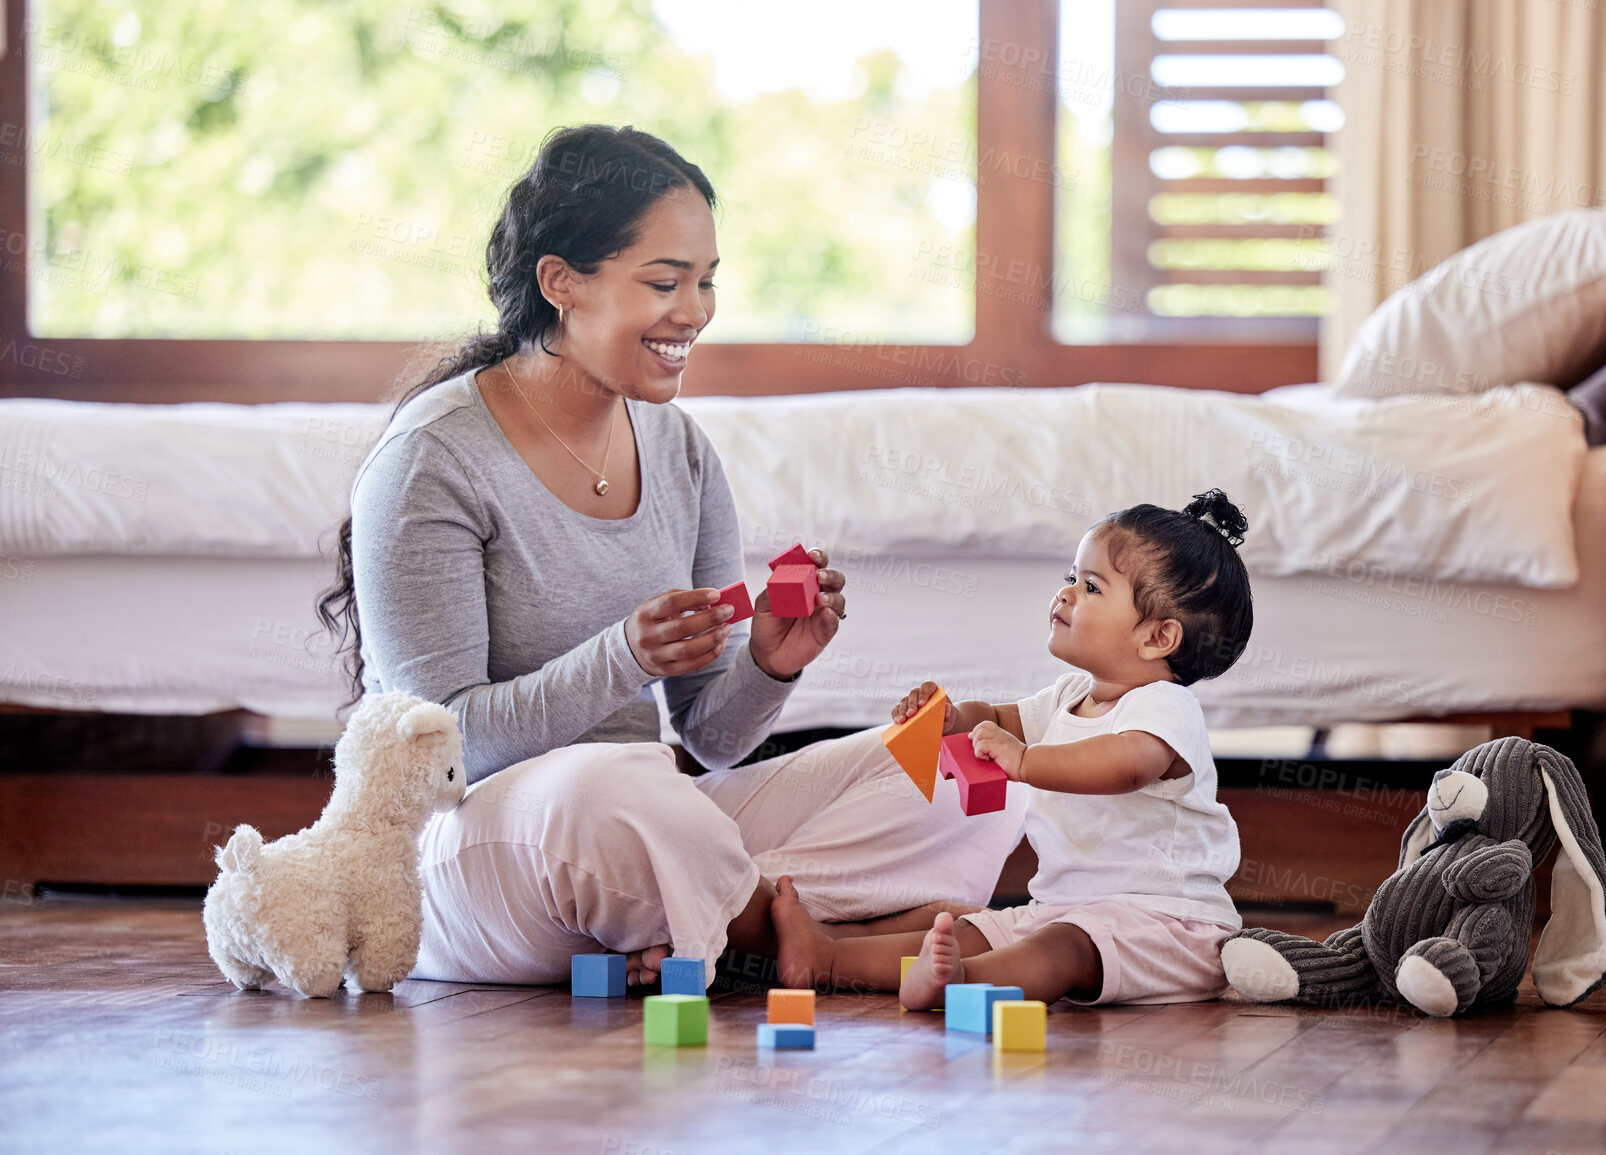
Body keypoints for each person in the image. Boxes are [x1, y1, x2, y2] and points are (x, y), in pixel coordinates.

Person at [319, 125, 1026, 989]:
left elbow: (712, 739)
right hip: (478, 855)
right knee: (609, 790)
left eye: (706, 281)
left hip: (640, 829)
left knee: (973, 759)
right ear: (560, 284)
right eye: (663, 281)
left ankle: (718, 922)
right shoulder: (432, 459)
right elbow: (434, 748)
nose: (693, 311)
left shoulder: (681, 451)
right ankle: (811, 932)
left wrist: (768, 662)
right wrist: (621, 659)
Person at [772, 493, 1255, 1007]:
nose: (1065, 595)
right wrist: (950, 719)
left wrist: (1024, 762)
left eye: (1091, 587)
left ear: (1158, 637)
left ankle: (957, 985)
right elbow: (1003, 720)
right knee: (974, 931)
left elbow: (1128, 764)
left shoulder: (1164, 705)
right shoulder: (1072, 696)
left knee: (1062, 948)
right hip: (1066, 906)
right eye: (1071, 577)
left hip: (1165, 924)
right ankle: (825, 959)